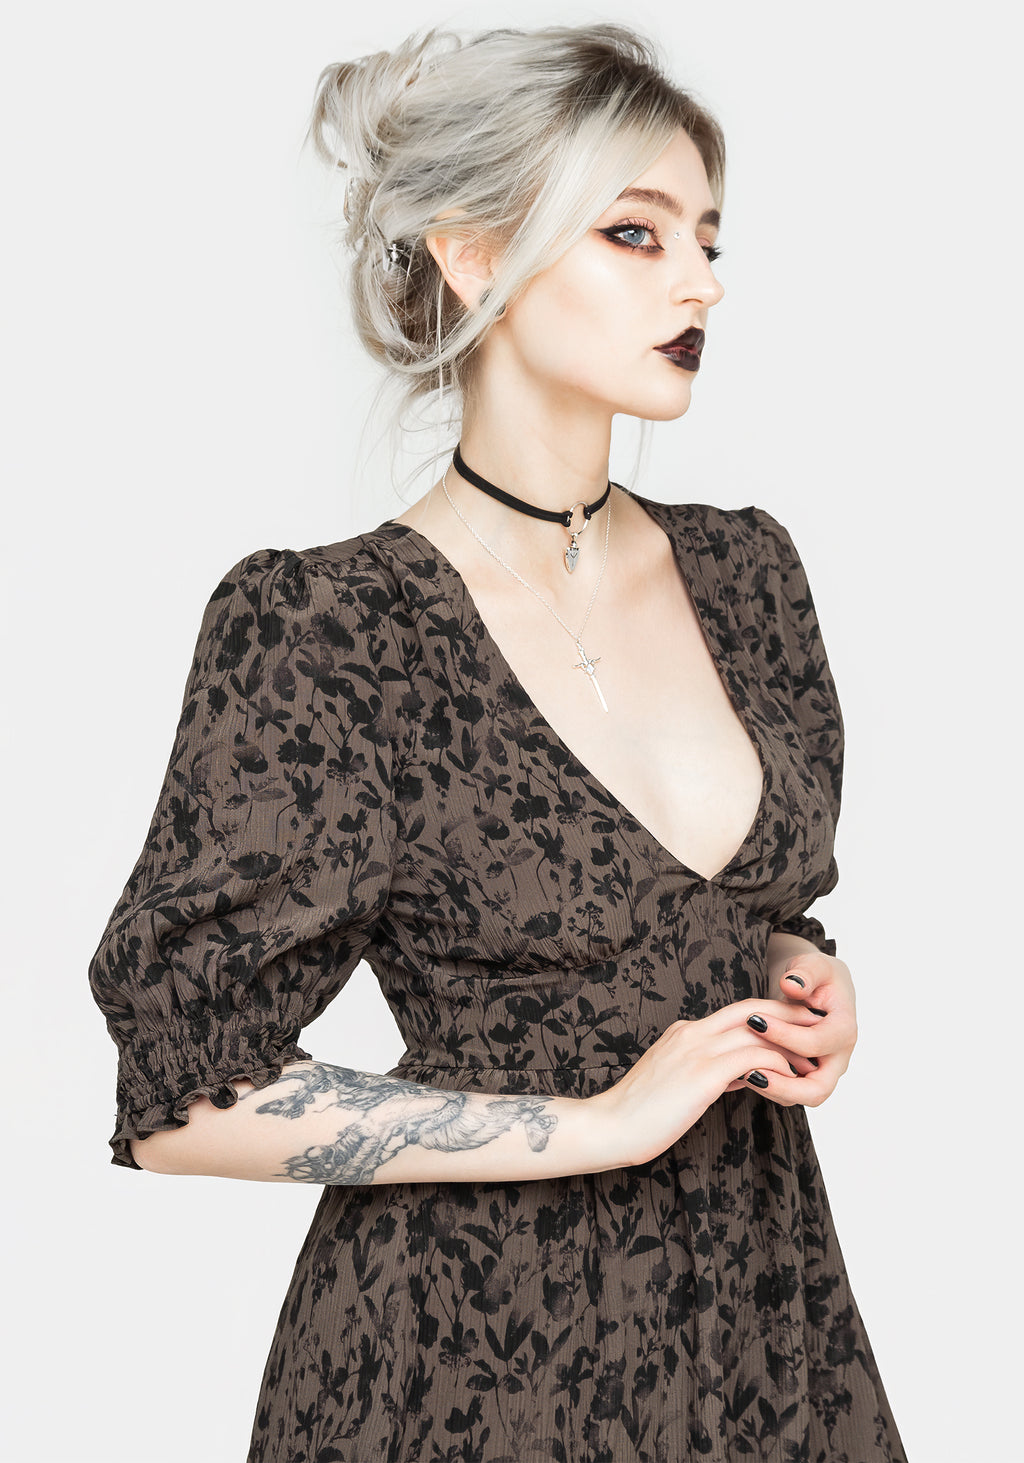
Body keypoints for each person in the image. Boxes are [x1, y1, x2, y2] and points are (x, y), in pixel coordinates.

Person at [88, 22, 908, 1463]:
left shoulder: (749, 576)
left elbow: (728, 909)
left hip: (761, 1315)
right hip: (468, 1350)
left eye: (709, 239)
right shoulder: (331, 627)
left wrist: (797, 976)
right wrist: (599, 1125)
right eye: (636, 234)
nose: (702, 282)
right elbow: (182, 1102)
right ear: (473, 255)